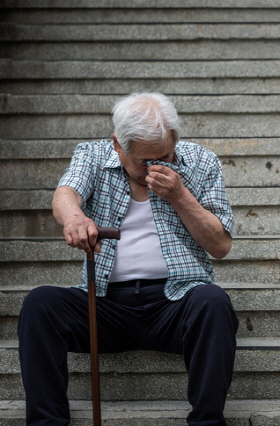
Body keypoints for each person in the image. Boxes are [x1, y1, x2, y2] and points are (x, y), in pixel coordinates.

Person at [18, 92, 238, 426]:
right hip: (105, 304)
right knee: (40, 303)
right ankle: (47, 422)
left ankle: (207, 422)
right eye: (144, 160)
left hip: (175, 303)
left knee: (214, 301)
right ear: (118, 145)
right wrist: (75, 219)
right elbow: (67, 193)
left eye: (164, 156)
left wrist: (180, 196)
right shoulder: (92, 155)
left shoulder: (201, 161)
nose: (155, 167)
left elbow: (220, 246)